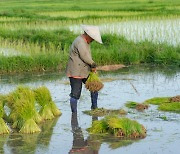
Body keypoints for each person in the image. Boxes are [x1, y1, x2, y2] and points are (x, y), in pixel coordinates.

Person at [66, 25, 103, 113]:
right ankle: (74, 113)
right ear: (88, 35)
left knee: (94, 86)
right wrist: (93, 64)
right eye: (93, 38)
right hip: (76, 72)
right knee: (75, 94)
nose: (93, 40)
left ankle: (94, 108)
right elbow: (85, 56)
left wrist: (91, 67)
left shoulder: (85, 41)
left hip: (84, 70)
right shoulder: (80, 42)